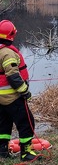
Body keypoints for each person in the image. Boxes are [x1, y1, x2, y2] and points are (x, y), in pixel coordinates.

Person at [0, 20, 39, 161]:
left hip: (1, 100)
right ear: (11, 35)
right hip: (13, 97)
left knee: (4, 124)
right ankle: (26, 153)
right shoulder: (7, 54)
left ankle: (2, 151)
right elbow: (13, 76)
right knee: (26, 123)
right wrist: (25, 92)